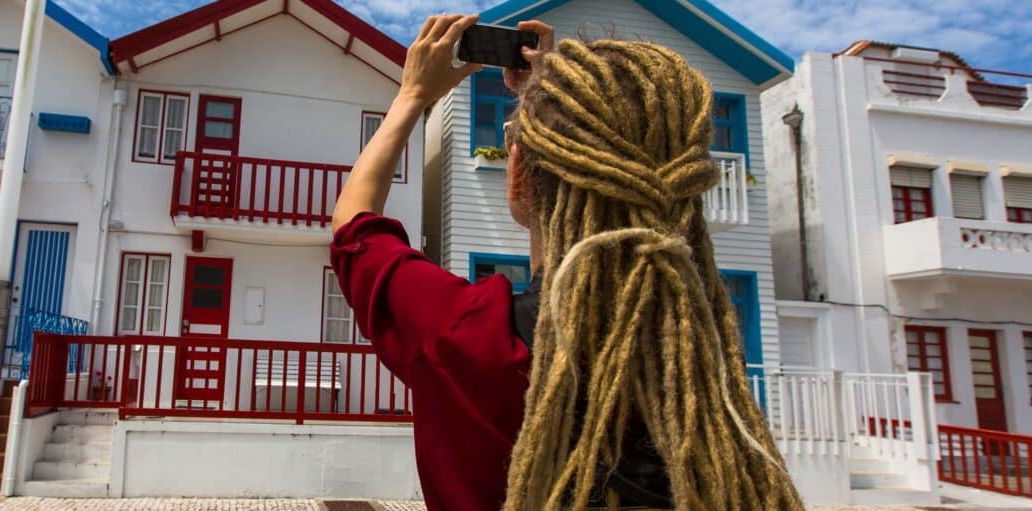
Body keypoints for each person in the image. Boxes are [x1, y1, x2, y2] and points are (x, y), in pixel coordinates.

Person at [329, 14, 803, 511]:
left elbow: (353, 228)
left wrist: (412, 96)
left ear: (518, 178)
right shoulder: (700, 359)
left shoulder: (467, 339)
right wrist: (549, 106)